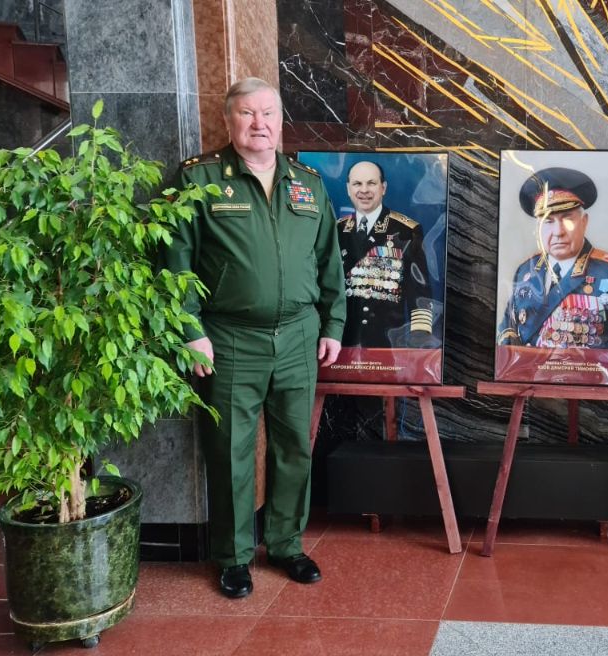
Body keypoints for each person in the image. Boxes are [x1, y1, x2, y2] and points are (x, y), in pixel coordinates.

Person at [161, 77, 346, 599]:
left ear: (281, 121)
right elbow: (175, 263)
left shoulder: (308, 183)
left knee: (294, 449)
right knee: (230, 451)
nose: (259, 123)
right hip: (228, 338)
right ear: (229, 121)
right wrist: (190, 331)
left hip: (299, 337)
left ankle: (286, 544)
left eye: (268, 113)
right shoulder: (198, 179)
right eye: (247, 113)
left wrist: (333, 324)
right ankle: (233, 556)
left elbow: (329, 261)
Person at [497, 167, 608, 350]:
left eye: (567, 219)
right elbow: (508, 327)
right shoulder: (525, 271)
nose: (558, 232)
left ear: (584, 222)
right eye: (548, 221)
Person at [337, 160, 438, 348]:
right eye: (357, 184)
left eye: (371, 183)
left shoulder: (406, 231)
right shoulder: (336, 230)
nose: (364, 190)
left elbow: (420, 295)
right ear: (348, 189)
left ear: (383, 188)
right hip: (341, 342)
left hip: (387, 343)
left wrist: (419, 340)